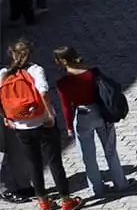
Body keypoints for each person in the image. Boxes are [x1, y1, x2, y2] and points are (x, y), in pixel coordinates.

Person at [3, 38, 82, 210]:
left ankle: (43, 201)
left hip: (21, 127)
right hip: (42, 123)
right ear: (30, 53)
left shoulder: (3, 73)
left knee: (33, 163)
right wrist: (48, 115)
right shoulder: (36, 69)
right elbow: (43, 93)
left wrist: (6, 117)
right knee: (54, 162)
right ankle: (66, 201)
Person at [51, 47, 129, 199]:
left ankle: (97, 188)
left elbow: (66, 106)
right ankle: (121, 183)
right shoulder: (92, 74)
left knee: (88, 155)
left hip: (82, 115)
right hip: (100, 113)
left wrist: (68, 127)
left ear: (63, 61)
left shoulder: (62, 83)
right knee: (110, 150)